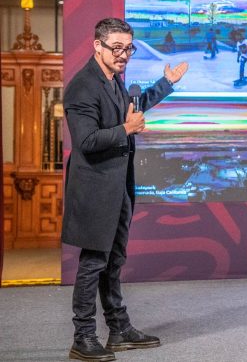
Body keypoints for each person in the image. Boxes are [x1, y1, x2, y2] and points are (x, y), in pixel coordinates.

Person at [62, 18, 188, 361]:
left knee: (114, 260)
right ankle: (83, 337)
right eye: (116, 48)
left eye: (128, 48)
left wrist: (166, 83)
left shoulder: (113, 79)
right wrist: (126, 130)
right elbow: (87, 141)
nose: (123, 55)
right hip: (94, 188)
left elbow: (133, 109)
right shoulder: (82, 87)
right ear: (97, 45)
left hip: (118, 186)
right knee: (93, 263)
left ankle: (118, 329)